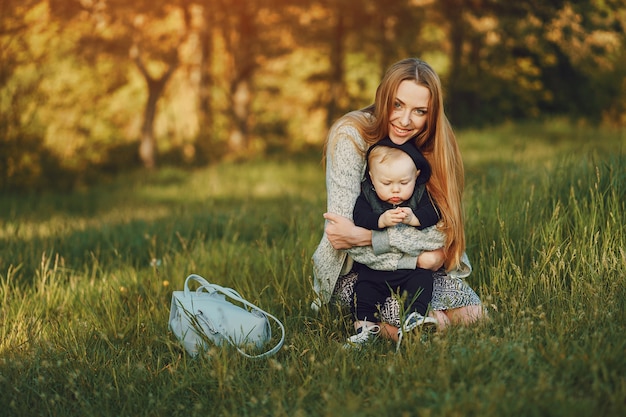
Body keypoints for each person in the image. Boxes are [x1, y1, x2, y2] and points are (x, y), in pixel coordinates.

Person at [311, 58, 483, 343]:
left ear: (431, 114)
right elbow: (342, 238)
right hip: (361, 271)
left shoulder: (435, 142)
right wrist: (420, 256)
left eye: (420, 111)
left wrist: (368, 236)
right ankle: (383, 330)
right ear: (383, 98)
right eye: (398, 105)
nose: (405, 121)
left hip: (416, 271)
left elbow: (446, 232)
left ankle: (411, 327)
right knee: (433, 321)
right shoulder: (351, 136)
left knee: (474, 314)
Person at [347, 137, 440, 347]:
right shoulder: (367, 195)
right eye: (387, 183)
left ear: (416, 176)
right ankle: (364, 328)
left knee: (423, 282)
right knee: (363, 290)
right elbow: (359, 217)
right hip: (376, 266)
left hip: (411, 265)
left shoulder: (420, 193)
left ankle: (414, 318)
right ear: (372, 178)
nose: (395, 190)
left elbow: (435, 212)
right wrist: (379, 220)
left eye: (403, 182)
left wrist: (414, 218)